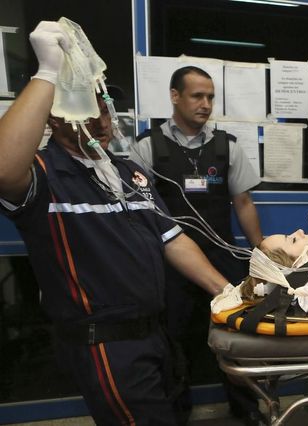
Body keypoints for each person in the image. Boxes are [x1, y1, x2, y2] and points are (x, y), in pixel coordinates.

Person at [0, 21, 230, 424]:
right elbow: (2, 169)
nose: (104, 121)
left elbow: (171, 238)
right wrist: (47, 74)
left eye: (105, 107)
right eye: (89, 109)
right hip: (107, 346)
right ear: (54, 120)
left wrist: (226, 292)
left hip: (156, 336)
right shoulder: (43, 177)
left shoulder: (126, 172)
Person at [128, 65, 264, 423]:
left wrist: (262, 248)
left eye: (210, 97)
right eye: (197, 96)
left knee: (236, 335)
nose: (205, 104)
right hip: (170, 263)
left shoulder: (226, 147)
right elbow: (136, 209)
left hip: (220, 257)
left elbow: (244, 203)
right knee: (173, 340)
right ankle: (176, 412)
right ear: (175, 96)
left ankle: (245, 409)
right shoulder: (147, 147)